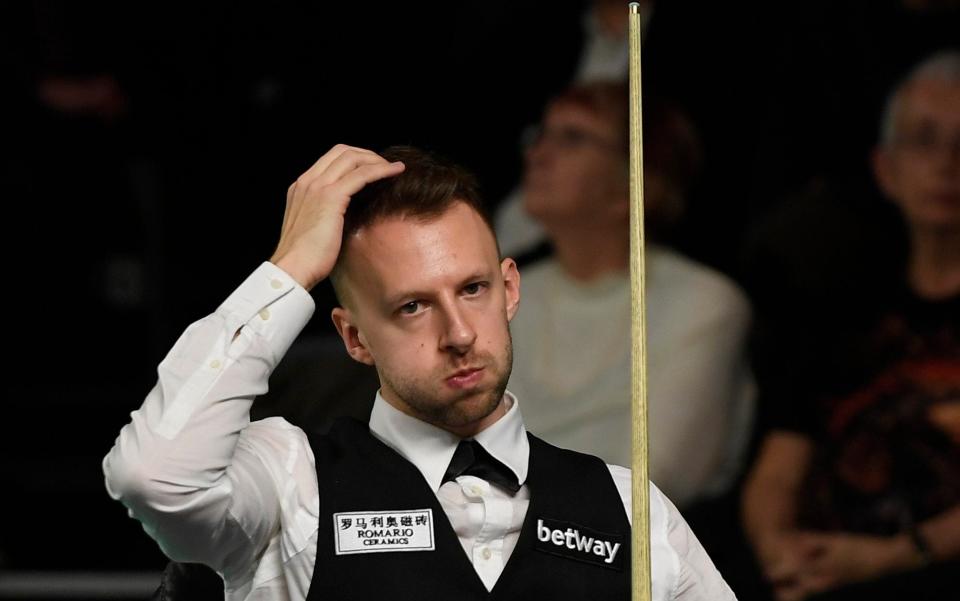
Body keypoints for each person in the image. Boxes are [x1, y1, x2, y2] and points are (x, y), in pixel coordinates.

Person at [103, 144, 736, 600]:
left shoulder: (629, 509)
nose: (458, 334)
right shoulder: (289, 482)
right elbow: (153, 478)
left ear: (510, 290)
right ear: (354, 337)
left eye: (473, 289)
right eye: (412, 307)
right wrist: (290, 269)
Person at [741, 50, 960, 601]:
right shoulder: (837, 308)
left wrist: (896, 557)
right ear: (886, 169)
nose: (948, 162)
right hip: (820, 573)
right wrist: (781, 552)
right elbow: (776, 473)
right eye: (923, 140)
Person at [507, 82, 755, 509]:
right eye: (541, 135)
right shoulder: (508, 291)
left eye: (572, 138)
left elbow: (657, 481)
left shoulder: (704, 302)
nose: (537, 154)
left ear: (635, 181)